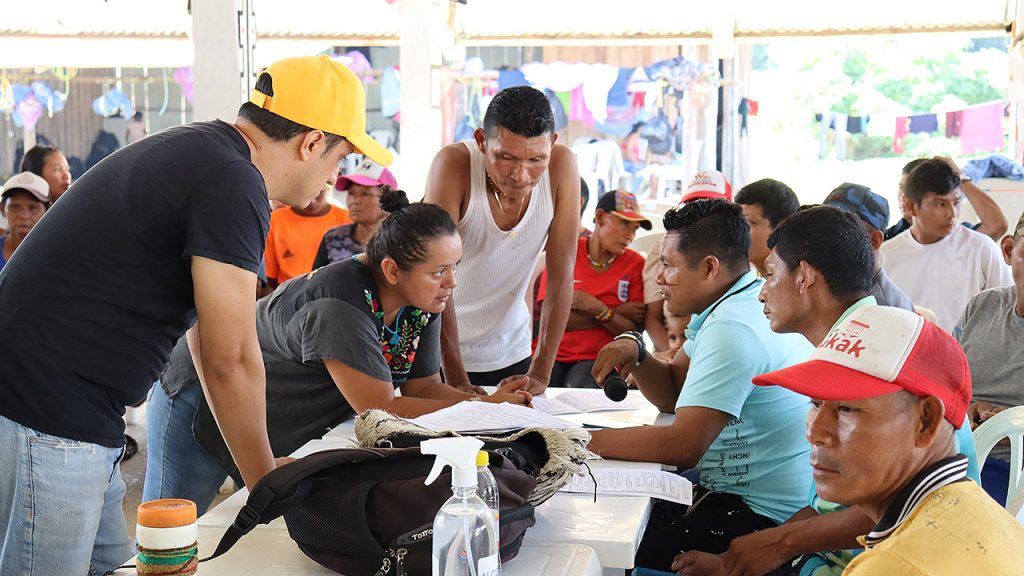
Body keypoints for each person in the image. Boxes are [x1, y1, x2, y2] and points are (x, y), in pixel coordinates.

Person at [0, 54, 391, 575]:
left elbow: (209, 341)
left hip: (71, 410)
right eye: (339, 157)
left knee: (114, 567)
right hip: (47, 412)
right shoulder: (233, 180)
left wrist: (263, 472)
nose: (335, 175)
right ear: (312, 142)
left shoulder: (205, 151)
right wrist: (265, 481)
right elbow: (231, 355)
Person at [144, 191, 531, 514]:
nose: (452, 282)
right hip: (202, 392)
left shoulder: (421, 301)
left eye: (454, 267)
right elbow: (383, 410)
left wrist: (485, 402)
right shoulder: (342, 305)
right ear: (393, 270)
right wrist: (490, 410)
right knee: (171, 525)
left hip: (263, 402)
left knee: (239, 517)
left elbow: (423, 388)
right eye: (439, 272)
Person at [674, 206, 981, 576]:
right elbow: (824, 510)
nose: (761, 293)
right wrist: (739, 558)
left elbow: (890, 507)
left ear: (804, 277)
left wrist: (779, 543)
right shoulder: (842, 345)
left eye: (770, 274)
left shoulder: (886, 354)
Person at [588, 199, 814, 572]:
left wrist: (574, 441)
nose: (660, 277)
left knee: (618, 559)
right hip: (740, 495)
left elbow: (683, 445)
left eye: (669, 265)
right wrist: (639, 353)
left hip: (761, 514)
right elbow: (675, 392)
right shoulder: (732, 303)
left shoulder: (732, 327)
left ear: (710, 267)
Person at [740, 306, 1024, 575]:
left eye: (846, 409)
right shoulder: (992, 517)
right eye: (815, 404)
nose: (815, 433)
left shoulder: (894, 564)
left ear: (925, 421)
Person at [425, 85, 580, 394]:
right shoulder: (454, 165)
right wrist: (455, 378)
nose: (521, 175)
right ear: (482, 141)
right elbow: (434, 275)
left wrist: (541, 371)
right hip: (440, 355)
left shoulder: (562, 166)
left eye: (536, 159)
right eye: (506, 157)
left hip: (513, 352)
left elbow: (561, 276)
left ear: (553, 144)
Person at [880, 158, 1012, 332]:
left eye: (956, 203)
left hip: (969, 355)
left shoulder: (981, 248)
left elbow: (1008, 310)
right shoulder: (886, 255)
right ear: (911, 206)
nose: (951, 214)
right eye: (940, 204)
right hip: (910, 355)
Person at [538, 190, 648, 388]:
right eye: (624, 224)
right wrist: (615, 313)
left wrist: (596, 307)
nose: (630, 236)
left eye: (635, 229)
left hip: (600, 358)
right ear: (599, 217)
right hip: (551, 353)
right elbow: (552, 318)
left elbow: (632, 330)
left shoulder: (636, 264)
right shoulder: (567, 251)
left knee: (582, 387)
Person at [955, 210, 1024, 506]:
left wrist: (1010, 424)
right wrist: (971, 408)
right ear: (1008, 250)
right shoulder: (983, 306)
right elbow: (942, 383)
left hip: (1014, 475)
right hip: (953, 460)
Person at [642, 170, 732, 351]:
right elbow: (653, 318)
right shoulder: (662, 250)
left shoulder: (738, 254)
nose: (698, 213)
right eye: (691, 205)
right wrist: (670, 358)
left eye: (709, 206)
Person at [823, 183, 914, 310]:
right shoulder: (838, 285)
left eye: (843, 228)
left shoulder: (886, 308)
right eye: (827, 225)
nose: (827, 236)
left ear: (874, 240)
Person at [264, 165, 351, 287]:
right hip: (288, 297)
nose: (313, 198)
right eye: (307, 189)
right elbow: (269, 280)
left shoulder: (347, 220)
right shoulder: (275, 222)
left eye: (320, 190)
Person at [886, 157, 1008, 242]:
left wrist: (960, 177)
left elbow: (997, 226)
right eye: (901, 188)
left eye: (910, 189)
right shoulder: (886, 240)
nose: (903, 196)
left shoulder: (959, 237)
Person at [313, 158, 397, 267]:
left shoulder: (401, 243)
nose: (354, 201)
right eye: (351, 193)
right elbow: (317, 282)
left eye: (365, 193)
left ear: (389, 199)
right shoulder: (333, 239)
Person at [733, 177, 801, 276]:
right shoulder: (756, 283)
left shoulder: (797, 286)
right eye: (737, 222)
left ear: (780, 228)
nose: (738, 231)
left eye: (748, 223)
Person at [0, 172, 50, 272]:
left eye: (33, 208)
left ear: (47, 211)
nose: (23, 216)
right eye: (15, 206)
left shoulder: (55, 255)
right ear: (2, 209)